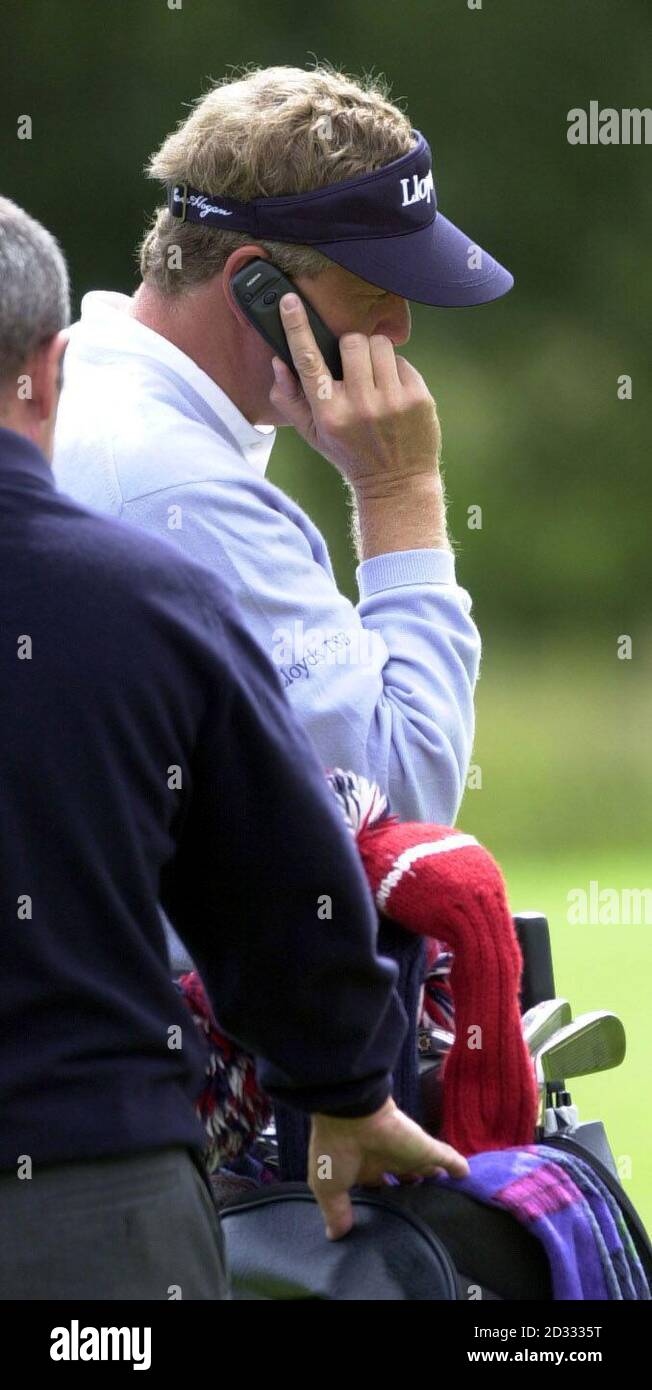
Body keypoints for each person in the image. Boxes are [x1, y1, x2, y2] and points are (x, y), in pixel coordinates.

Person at [0, 196, 468, 1301]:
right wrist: (346, 1085)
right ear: (51, 368)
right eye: (377, 296)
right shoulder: (153, 592)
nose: (397, 329)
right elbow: (290, 874)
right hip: (82, 1192)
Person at [53, 63, 513, 973]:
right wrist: (400, 494)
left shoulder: (80, 388)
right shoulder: (174, 492)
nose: (402, 327)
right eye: (375, 288)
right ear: (258, 286)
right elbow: (393, 807)